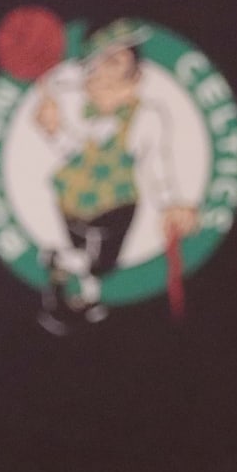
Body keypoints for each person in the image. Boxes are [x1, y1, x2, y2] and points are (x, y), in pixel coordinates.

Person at [30, 19, 198, 333]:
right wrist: (54, 130)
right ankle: (75, 290)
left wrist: (170, 204)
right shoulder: (81, 109)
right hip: (71, 200)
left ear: (136, 74)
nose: (102, 74)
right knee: (88, 262)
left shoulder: (147, 115)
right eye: (95, 66)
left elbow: (156, 164)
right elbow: (75, 151)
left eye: (115, 62)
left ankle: (66, 270)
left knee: (102, 264)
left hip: (115, 204)